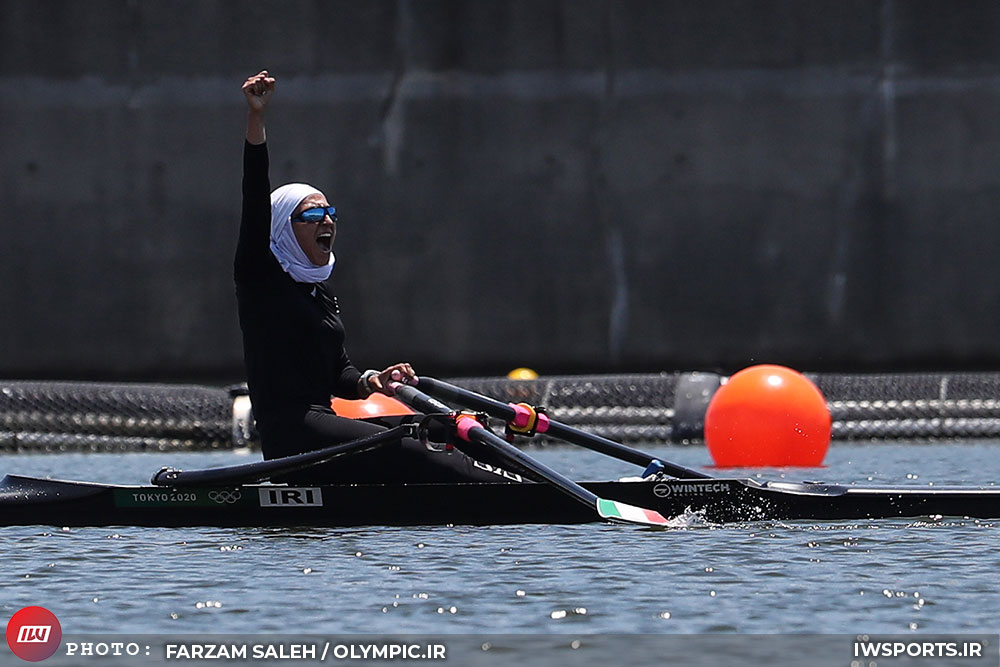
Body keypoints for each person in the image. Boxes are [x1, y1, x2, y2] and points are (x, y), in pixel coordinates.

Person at [236, 70, 511, 484]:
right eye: (311, 215)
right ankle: (522, 501)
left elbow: (339, 376)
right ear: (280, 229)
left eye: (330, 213)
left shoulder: (318, 293)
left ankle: (526, 491)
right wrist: (257, 118)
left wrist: (373, 381)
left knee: (461, 429)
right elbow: (254, 195)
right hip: (293, 437)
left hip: (326, 425)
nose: (326, 221)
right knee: (412, 446)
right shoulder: (259, 278)